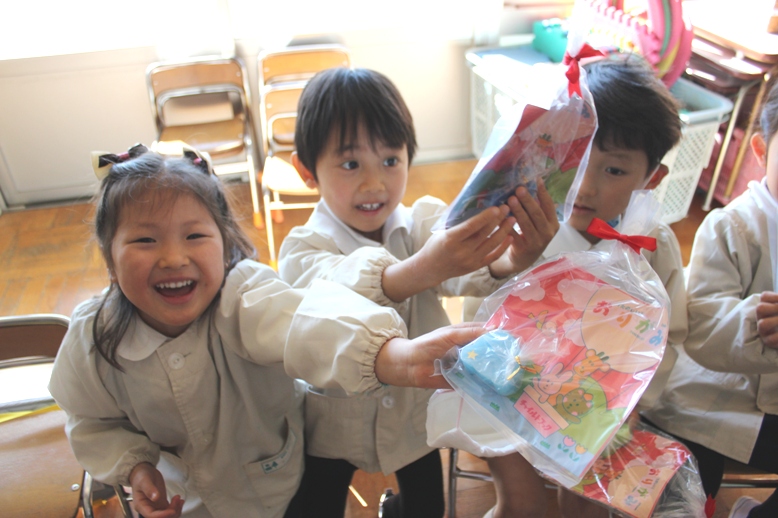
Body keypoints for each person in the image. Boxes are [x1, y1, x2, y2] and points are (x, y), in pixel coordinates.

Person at [47, 143, 485, 518]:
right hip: (189, 503)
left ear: (225, 243)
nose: (173, 258)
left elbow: (307, 322)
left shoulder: (243, 295)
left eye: (195, 236)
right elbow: (90, 421)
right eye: (145, 240)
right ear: (109, 257)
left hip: (280, 489)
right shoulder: (94, 337)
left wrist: (395, 357)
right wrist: (135, 465)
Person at [277, 67, 560, 518]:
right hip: (330, 421)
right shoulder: (302, 247)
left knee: (427, 508)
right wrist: (422, 267)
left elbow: (472, 272)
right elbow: (331, 294)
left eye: (391, 160)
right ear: (306, 171)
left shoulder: (423, 222)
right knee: (315, 507)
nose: (374, 184)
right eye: (350, 164)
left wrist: (514, 258)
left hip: (415, 417)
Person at [453, 54, 686, 518]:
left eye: (613, 170)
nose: (585, 186)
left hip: (596, 411)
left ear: (652, 178)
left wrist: (631, 403)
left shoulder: (652, 244)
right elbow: (469, 292)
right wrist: (511, 261)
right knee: (522, 507)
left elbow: (670, 336)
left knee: (588, 508)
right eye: (575, 161)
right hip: (502, 396)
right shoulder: (526, 220)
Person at [643, 78, 778, 518]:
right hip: (718, 396)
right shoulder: (733, 227)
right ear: (761, 151)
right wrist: (759, 325)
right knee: (689, 479)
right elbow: (702, 328)